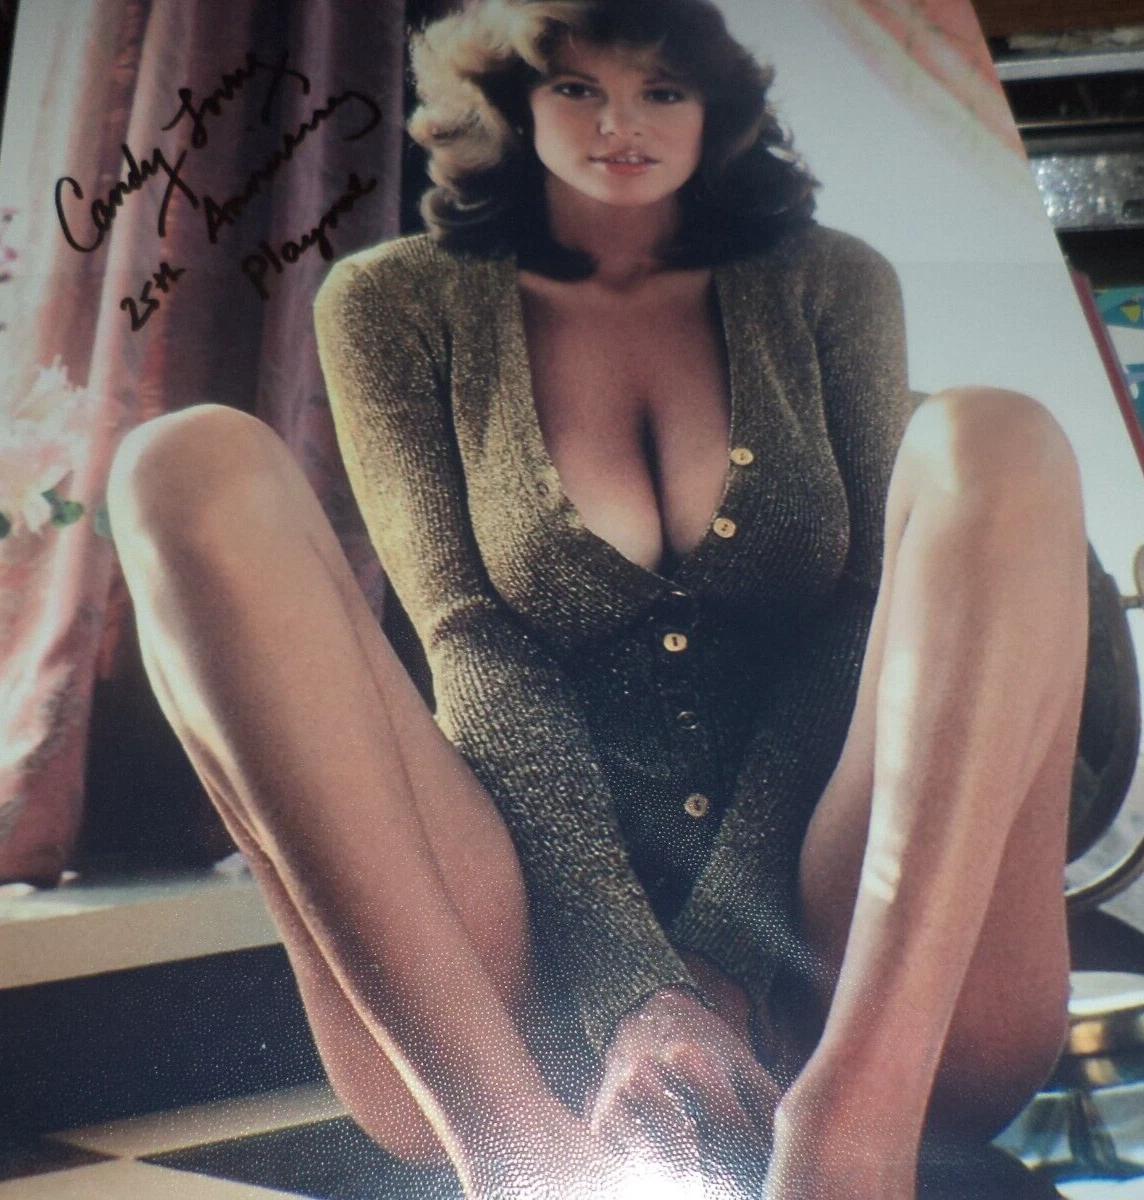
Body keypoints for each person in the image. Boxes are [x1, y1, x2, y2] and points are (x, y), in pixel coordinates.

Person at [107, 0, 1089, 1196]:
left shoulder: (830, 283)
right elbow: (473, 649)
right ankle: (516, 1161)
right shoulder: (392, 303)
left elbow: (856, 631)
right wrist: (635, 988)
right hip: (515, 1000)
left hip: (860, 983)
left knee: (994, 435)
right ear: (514, 104)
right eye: (579, 89)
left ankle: (846, 1140)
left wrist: (720, 963)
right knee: (182, 465)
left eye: (661, 91)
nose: (622, 125)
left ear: (713, 107)